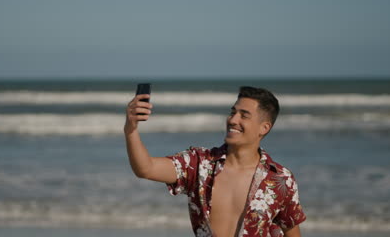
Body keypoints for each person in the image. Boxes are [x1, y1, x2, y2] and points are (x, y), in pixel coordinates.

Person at [124, 86, 306, 237]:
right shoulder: (199, 164)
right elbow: (145, 169)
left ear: (264, 127)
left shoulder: (280, 179)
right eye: (232, 112)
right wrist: (131, 129)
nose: (233, 120)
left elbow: (291, 231)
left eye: (244, 115)